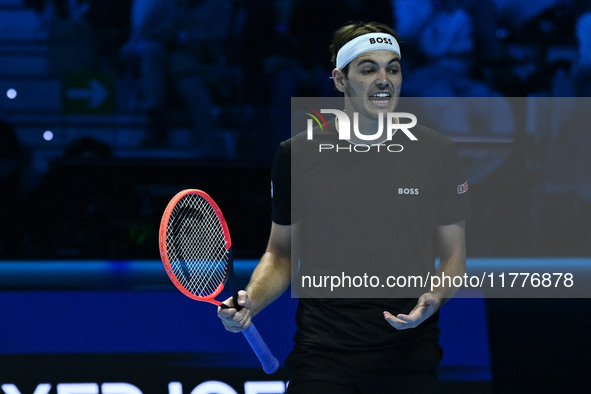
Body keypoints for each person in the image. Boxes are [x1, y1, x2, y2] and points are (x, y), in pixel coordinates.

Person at [218, 21, 471, 393]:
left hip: (409, 356)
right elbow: (281, 254)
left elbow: (454, 258)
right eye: (368, 69)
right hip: (323, 356)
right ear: (340, 80)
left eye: (393, 68)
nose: (383, 79)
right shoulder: (296, 154)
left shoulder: (438, 153)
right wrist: (250, 301)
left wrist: (434, 298)